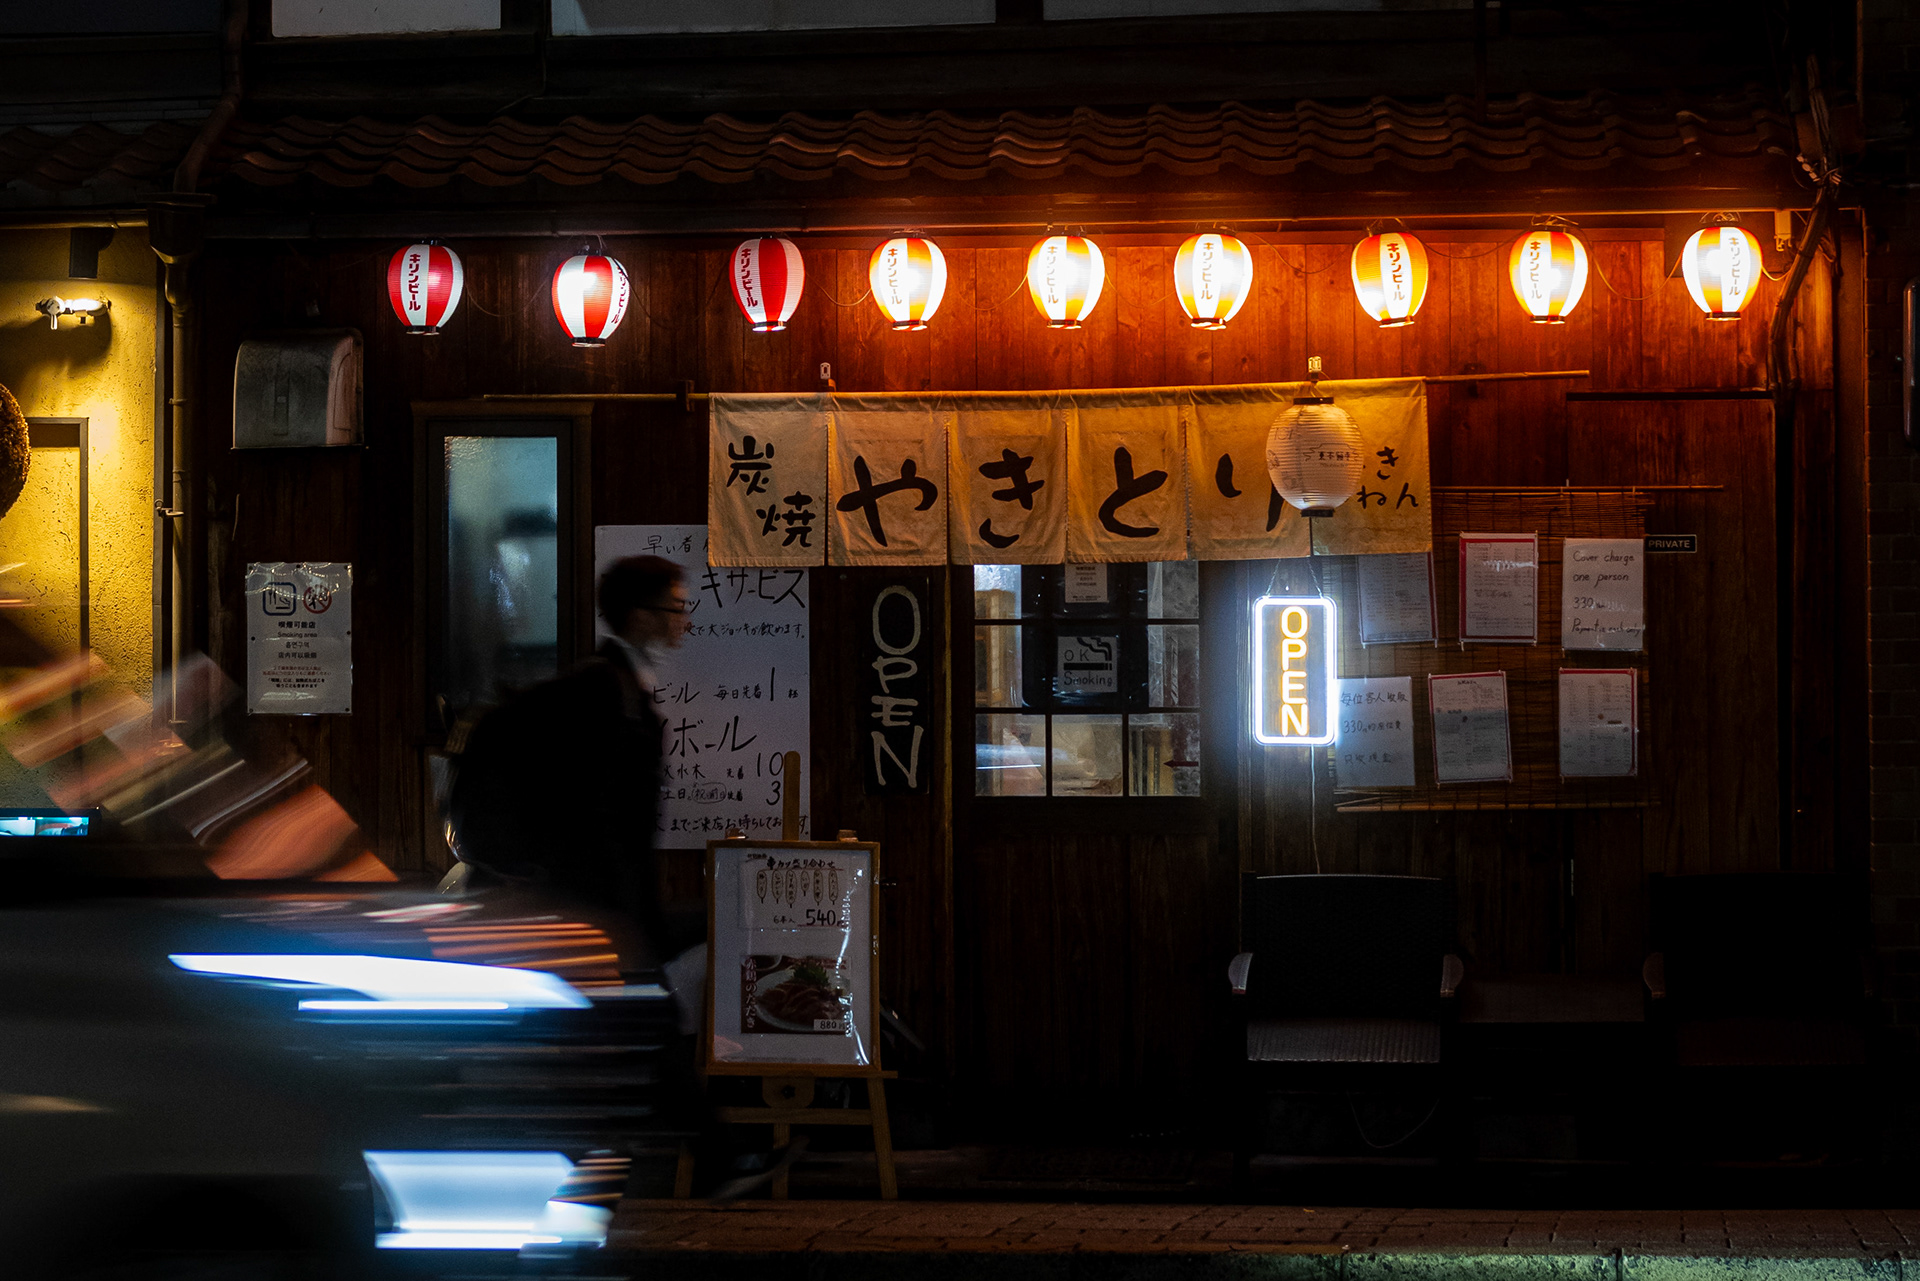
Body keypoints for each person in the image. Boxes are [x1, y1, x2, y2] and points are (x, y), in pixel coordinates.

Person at [449, 556, 690, 961]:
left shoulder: (612, 686)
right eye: (676, 607)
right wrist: (638, 923)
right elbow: (607, 823)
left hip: (578, 910)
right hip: (584, 916)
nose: (684, 620)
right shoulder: (604, 695)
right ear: (642, 616)